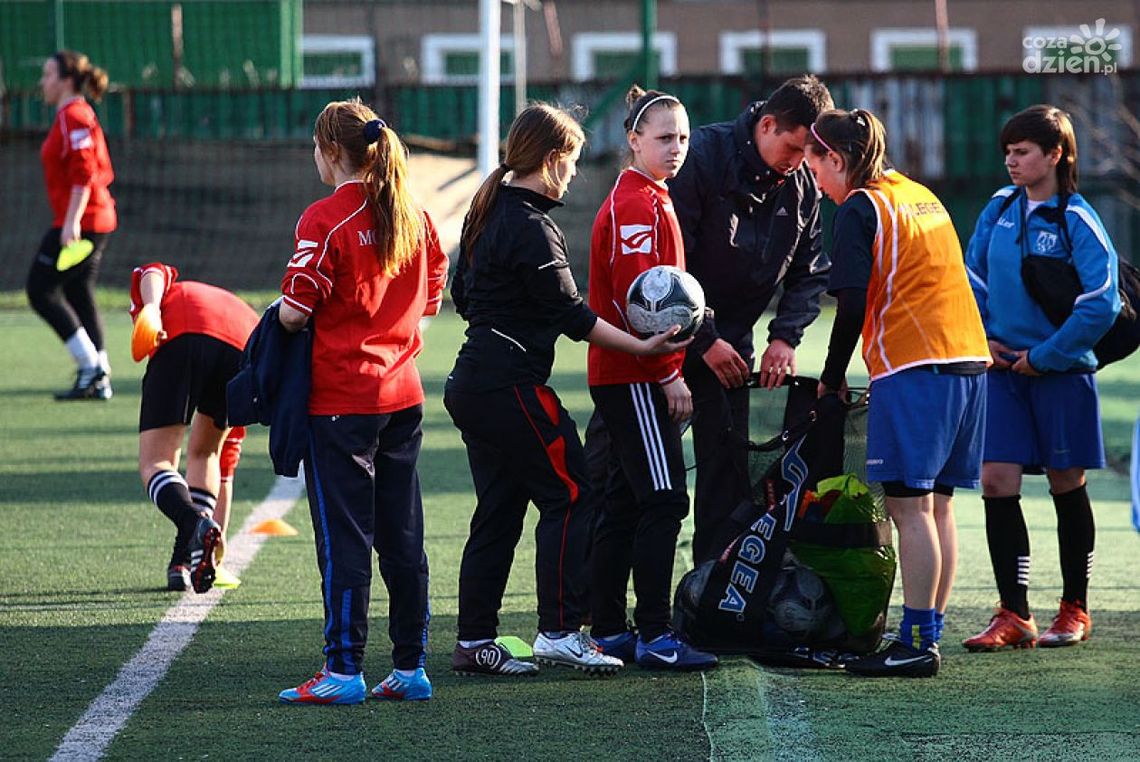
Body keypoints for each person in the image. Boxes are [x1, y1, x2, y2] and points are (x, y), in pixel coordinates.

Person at [445, 103, 685, 677]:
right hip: (509, 384)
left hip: (474, 382)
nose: (575, 172)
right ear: (551, 159)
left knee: (500, 509)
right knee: (573, 494)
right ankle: (559, 631)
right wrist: (643, 347)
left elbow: (465, 294)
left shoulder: (490, 211)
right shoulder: (531, 225)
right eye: (572, 160)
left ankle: (475, 639)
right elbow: (573, 315)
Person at [805, 107, 990, 677]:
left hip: (915, 367)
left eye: (814, 166)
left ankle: (915, 642)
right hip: (968, 362)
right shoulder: (916, 193)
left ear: (835, 159)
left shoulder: (862, 207)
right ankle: (925, 629)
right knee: (937, 508)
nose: (813, 178)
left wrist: (831, 378)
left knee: (909, 510)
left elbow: (853, 303)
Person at [276, 98, 448, 704]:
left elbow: (295, 312)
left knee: (344, 540)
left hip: (342, 402)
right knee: (403, 538)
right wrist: (396, 339)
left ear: (331, 151)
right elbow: (432, 295)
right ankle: (411, 666)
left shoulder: (326, 217)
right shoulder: (413, 212)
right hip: (402, 397)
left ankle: (344, 670)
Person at [961, 105, 1121, 652]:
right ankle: (1014, 613)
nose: (1012, 160)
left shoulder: (1078, 218)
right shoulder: (998, 209)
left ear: (1055, 154)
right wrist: (982, 339)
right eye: (1008, 151)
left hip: (1061, 375)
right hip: (1002, 372)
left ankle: (1075, 608)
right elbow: (971, 279)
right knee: (995, 482)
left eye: (1023, 151)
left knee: (1064, 483)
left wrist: (1047, 356)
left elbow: (1101, 304)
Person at [665, 75, 834, 563]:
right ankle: (599, 610)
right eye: (794, 147)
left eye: (808, 154)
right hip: (661, 347)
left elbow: (810, 270)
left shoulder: (801, 183)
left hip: (733, 349)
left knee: (725, 478)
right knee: (635, 479)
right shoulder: (700, 157)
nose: (799, 162)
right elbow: (673, 267)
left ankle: (709, 596)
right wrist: (705, 339)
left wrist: (784, 337)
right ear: (766, 125)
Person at [586, 86, 717, 671]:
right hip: (634, 375)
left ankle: (611, 629)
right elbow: (639, 304)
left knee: (622, 500)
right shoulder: (635, 205)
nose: (676, 148)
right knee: (664, 498)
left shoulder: (652, 195)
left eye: (683, 138)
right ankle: (656, 634)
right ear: (633, 141)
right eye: (664, 138)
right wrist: (669, 375)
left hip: (629, 373)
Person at [130, 263, 258, 593]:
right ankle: (184, 561)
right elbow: (225, 467)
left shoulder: (170, 293)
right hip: (244, 347)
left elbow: (152, 271)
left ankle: (194, 524)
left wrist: (152, 308)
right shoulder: (237, 309)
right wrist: (216, 558)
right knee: (208, 455)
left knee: (156, 462)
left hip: (184, 329)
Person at [28, 51, 117, 401]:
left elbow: (84, 172)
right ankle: (100, 375)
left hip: (86, 220)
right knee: (78, 291)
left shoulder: (73, 115)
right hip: (91, 218)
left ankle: (91, 367)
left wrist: (71, 223)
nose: (43, 82)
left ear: (67, 81)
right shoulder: (71, 115)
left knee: (40, 289)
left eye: (48, 74)